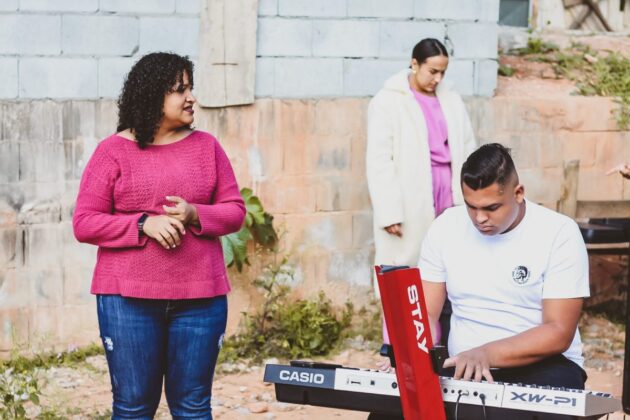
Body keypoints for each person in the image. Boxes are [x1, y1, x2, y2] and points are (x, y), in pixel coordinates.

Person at [73, 52, 246, 419]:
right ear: (153, 95)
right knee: (134, 407)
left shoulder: (207, 148)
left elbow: (235, 211)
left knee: (194, 408)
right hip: (127, 301)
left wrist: (195, 213)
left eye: (191, 88)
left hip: (200, 299)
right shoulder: (113, 152)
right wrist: (141, 224)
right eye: (180, 90)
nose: (191, 98)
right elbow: (85, 222)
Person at [420, 143, 590, 388]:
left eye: (492, 208)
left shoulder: (559, 233)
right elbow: (425, 313)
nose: (480, 218)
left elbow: (558, 331)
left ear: (518, 193)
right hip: (463, 366)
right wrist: (407, 357)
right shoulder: (445, 227)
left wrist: (486, 354)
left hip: (545, 366)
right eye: (471, 206)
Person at [366, 38, 476, 350]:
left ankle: (439, 342)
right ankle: (397, 344)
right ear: (414, 64)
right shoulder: (388, 101)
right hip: (409, 196)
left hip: (451, 190)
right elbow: (378, 160)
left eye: (442, 72)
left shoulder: (452, 99)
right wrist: (389, 210)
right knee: (402, 268)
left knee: (448, 265)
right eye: (432, 71)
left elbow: (468, 147)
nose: (437, 79)